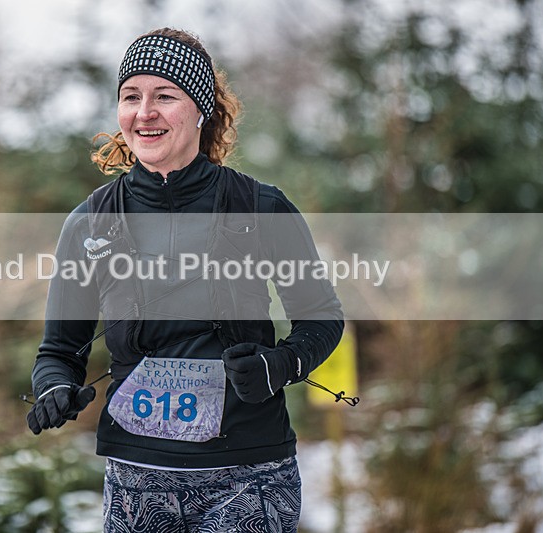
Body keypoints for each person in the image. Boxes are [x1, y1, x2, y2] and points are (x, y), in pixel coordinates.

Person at [27, 27, 344, 533]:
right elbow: (60, 351)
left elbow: (321, 317)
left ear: (201, 109)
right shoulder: (89, 224)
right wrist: (55, 388)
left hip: (249, 478)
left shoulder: (261, 208)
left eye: (164, 96)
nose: (144, 112)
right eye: (131, 96)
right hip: (136, 482)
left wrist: (280, 365)